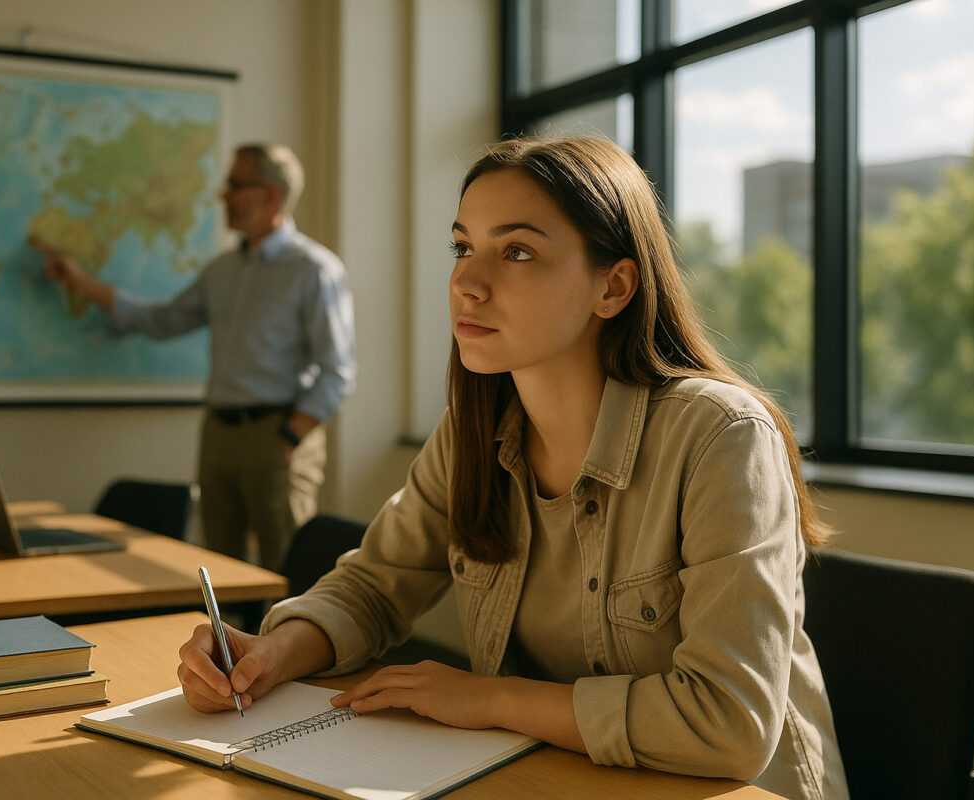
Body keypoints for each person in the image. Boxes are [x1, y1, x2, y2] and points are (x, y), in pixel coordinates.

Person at [176, 137, 848, 800]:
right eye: (463, 247)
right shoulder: (473, 433)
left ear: (612, 287)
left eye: (517, 252)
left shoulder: (721, 438)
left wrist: (490, 698)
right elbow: (374, 586)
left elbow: (729, 724)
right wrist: (271, 653)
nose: (467, 283)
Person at [32, 143, 356, 573]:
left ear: (271, 196)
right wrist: (84, 284)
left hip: (277, 438)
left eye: (236, 185)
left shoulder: (313, 270)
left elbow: (338, 370)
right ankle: (224, 646)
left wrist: (290, 437)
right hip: (218, 435)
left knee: (285, 572)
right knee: (218, 570)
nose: (223, 195)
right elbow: (162, 320)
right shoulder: (222, 271)